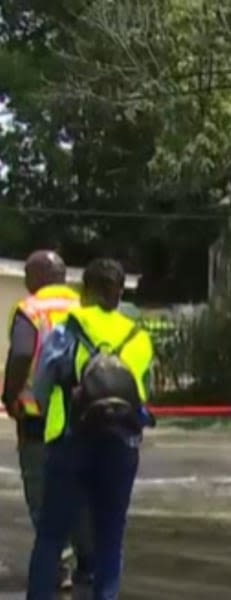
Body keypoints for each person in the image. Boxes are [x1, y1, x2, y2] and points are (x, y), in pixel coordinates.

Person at [25, 258, 154, 600]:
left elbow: (41, 386)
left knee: (52, 535)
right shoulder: (138, 336)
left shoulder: (68, 329)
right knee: (111, 536)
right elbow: (144, 394)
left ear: (85, 292)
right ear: (119, 293)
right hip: (121, 445)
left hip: (71, 441)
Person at [2, 250, 93, 590]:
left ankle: (60, 566)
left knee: (43, 495)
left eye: (27, 275)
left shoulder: (31, 310)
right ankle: (89, 562)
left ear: (36, 277)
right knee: (81, 492)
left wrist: (9, 397)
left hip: (37, 418)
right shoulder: (87, 308)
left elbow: (23, 353)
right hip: (84, 417)